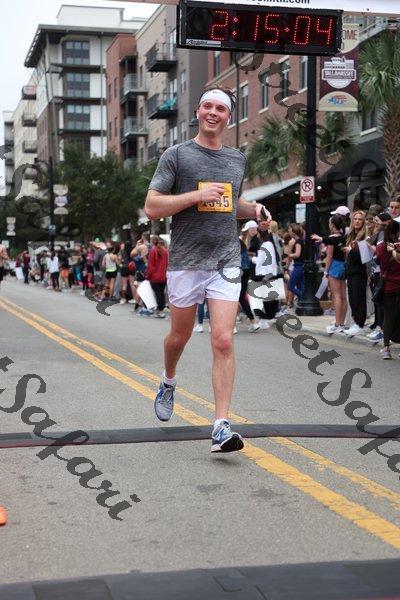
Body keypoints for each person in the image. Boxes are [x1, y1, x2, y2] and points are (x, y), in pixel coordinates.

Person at [145, 85, 268, 453]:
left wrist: (255, 210)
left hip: (225, 260)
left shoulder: (236, 159)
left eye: (221, 109)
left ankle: (220, 426)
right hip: (186, 261)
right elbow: (152, 206)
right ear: (198, 112)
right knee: (179, 337)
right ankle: (168, 380)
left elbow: (230, 204)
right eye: (208, 107)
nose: (213, 113)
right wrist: (197, 195)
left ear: (229, 117)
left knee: (223, 340)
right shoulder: (176, 155)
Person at [312, 215, 347, 334]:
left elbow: (330, 256)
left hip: (335, 266)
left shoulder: (332, 238)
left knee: (336, 295)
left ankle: (337, 323)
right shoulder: (343, 237)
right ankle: (341, 323)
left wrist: (326, 271)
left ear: (332, 225)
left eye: (329, 223)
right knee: (343, 296)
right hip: (343, 265)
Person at [375, 218, 400, 359]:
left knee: (388, 317)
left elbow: (378, 261)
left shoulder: (380, 246)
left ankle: (386, 348)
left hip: (388, 285)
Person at [343, 211, 368, 337]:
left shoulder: (364, 236)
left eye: (360, 219)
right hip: (351, 271)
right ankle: (356, 323)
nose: (357, 221)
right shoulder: (351, 235)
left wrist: (351, 251)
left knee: (359, 298)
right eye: (355, 219)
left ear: (363, 222)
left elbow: (364, 257)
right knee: (352, 299)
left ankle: (360, 324)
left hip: (360, 272)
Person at [147, 236, 169, 318]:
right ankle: (160, 310)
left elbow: (150, 265)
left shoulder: (153, 251)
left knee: (158, 294)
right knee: (161, 293)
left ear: (152, 241)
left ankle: (159, 311)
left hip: (154, 276)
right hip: (163, 276)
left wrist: (148, 275)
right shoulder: (165, 251)